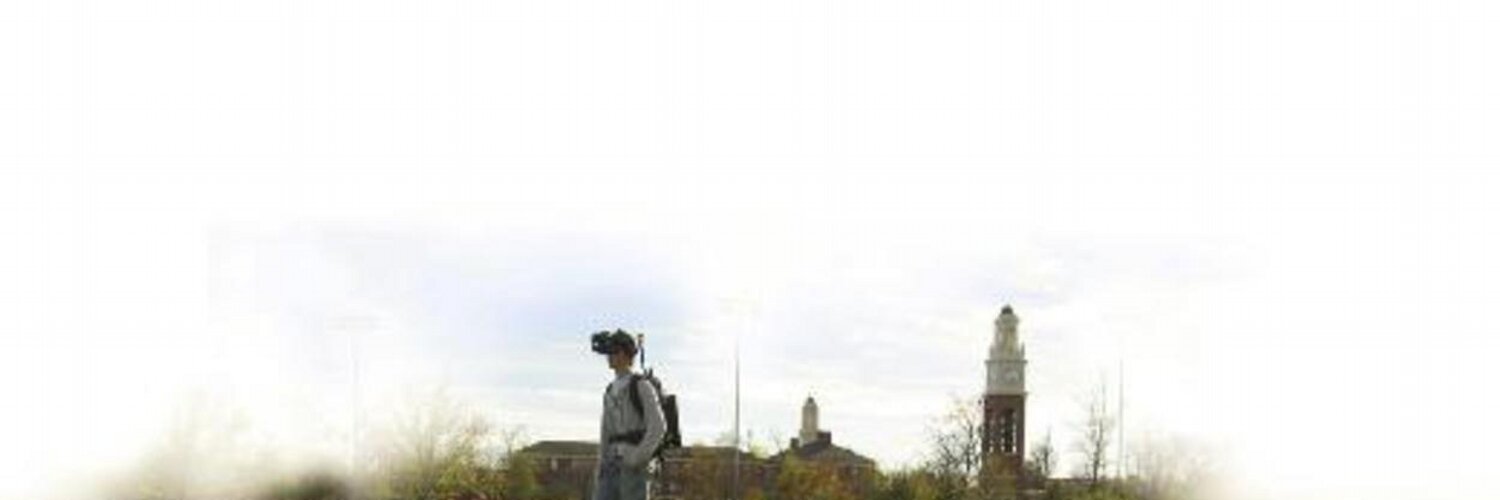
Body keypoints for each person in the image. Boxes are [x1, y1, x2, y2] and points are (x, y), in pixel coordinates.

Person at [592, 330, 666, 500]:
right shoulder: (610, 390)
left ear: (626, 354)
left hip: (633, 466)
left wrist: (637, 457)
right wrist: (602, 465)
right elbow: (605, 432)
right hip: (610, 465)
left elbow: (658, 426)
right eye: (609, 352)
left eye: (614, 351)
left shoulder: (641, 385)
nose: (609, 356)